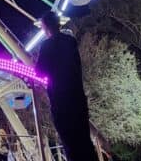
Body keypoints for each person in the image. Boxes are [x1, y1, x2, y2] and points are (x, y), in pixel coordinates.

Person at [35, 13, 98, 161]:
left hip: (59, 98)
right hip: (76, 95)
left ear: (44, 26)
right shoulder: (70, 41)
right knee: (84, 138)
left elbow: (39, 71)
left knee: (69, 141)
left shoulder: (46, 45)